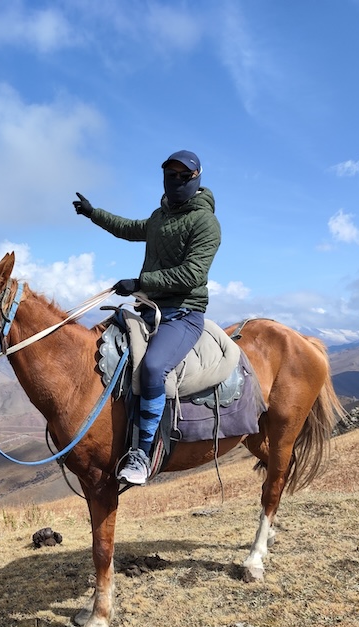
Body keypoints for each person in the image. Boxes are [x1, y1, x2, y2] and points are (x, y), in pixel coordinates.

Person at [73, 150, 221, 485]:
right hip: (149, 312)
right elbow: (129, 228)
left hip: (183, 314)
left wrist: (141, 283)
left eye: (185, 176)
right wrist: (93, 213)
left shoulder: (206, 223)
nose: (177, 181)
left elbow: (192, 275)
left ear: (197, 178)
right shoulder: (160, 217)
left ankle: (142, 453)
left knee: (154, 368)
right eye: (171, 174)